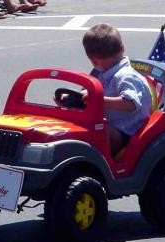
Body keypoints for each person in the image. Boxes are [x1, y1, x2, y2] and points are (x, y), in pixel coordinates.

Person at [58, 24, 152, 156]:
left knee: (91, 131)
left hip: (126, 132)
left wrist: (99, 100)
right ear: (122, 48)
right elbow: (92, 92)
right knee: (74, 122)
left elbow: (130, 103)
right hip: (110, 124)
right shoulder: (105, 73)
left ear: (94, 61)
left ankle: (82, 161)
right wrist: (72, 99)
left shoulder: (126, 76)